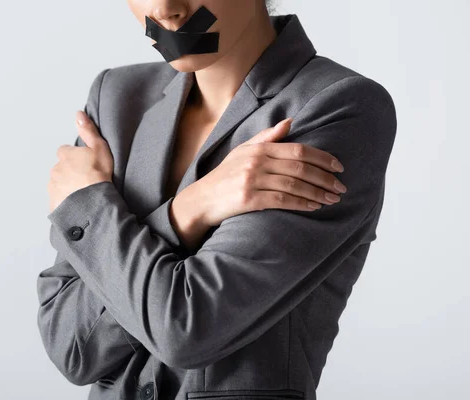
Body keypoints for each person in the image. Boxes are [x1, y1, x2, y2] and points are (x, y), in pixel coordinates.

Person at [38, 1, 397, 400]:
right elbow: (72, 348)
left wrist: (91, 205)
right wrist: (192, 207)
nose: (164, 10)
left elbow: (186, 331)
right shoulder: (115, 100)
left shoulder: (336, 107)